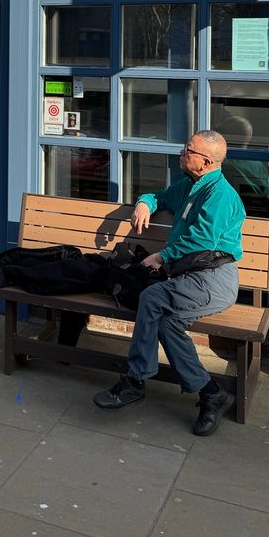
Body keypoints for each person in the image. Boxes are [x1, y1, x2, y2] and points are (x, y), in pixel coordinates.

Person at [93, 130, 245, 436]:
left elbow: (202, 240)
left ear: (204, 162)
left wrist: (162, 256)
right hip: (191, 277)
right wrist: (144, 203)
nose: (181, 153)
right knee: (165, 323)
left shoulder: (220, 195)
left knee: (152, 297)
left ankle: (135, 381)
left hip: (213, 279)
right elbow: (160, 196)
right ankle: (212, 393)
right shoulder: (191, 186)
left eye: (187, 150)